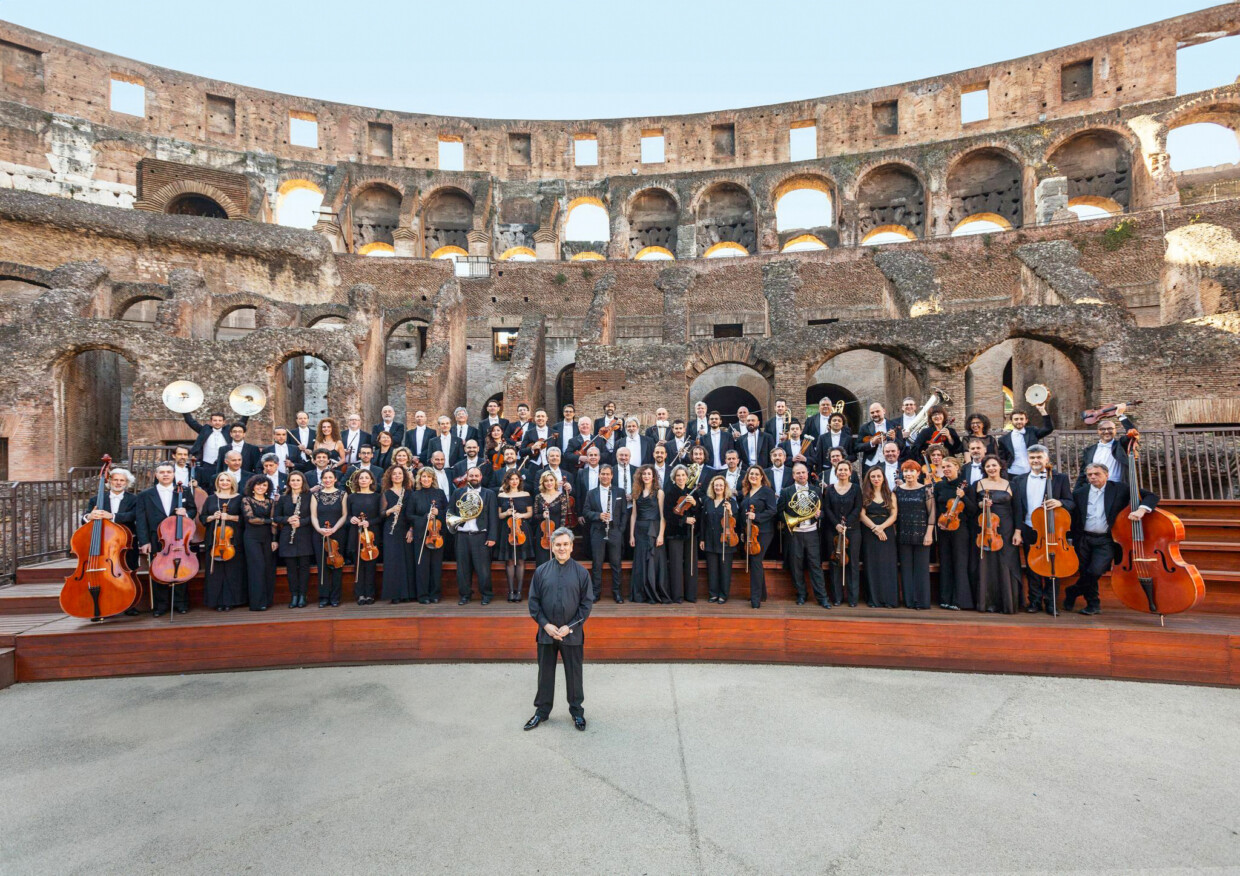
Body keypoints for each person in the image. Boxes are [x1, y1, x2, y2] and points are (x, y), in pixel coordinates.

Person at [1066, 462, 1159, 615]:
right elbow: (1074, 517)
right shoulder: (1079, 493)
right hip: (1083, 538)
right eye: (1089, 475)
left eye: (1097, 474)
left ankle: (1073, 591)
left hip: (1106, 539)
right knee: (1085, 571)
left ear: (1107, 475)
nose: (1093, 477)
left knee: (1095, 571)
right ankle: (1093, 604)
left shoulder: (1120, 489)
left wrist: (1142, 510)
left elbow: (1151, 496)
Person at [524, 528, 594, 732]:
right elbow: (533, 603)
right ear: (552, 547)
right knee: (545, 674)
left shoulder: (581, 573)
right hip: (547, 633)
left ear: (571, 547)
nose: (562, 548)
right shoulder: (541, 571)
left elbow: (586, 605)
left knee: (574, 674)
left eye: (565, 544)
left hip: (571, 634)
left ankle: (577, 713)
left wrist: (568, 627)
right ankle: (541, 712)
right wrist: (546, 625)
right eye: (558, 545)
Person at [1010, 444, 1074, 613]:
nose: (1036, 460)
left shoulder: (1059, 478)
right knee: (1033, 567)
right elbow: (1017, 508)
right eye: (1032, 458)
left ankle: (1051, 602)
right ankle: (1035, 601)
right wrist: (1018, 530)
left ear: (1046, 459)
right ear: (1028, 460)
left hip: (1052, 529)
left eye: (1039, 457)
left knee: (1053, 566)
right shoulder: (1018, 480)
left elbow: (1071, 502)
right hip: (1029, 528)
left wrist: (1060, 502)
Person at [136, 462, 198, 617]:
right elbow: (141, 519)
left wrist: (186, 513)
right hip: (156, 539)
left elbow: (193, 510)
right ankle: (160, 605)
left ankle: (181, 603)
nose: (165, 475)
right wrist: (144, 542)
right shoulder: (145, 495)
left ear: (173, 474)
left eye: (169, 472)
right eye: (162, 472)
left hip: (178, 539)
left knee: (181, 570)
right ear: (156, 475)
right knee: (158, 572)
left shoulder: (183, 492)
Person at [81, 466, 141, 615]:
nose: (119, 483)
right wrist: (89, 517)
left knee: (129, 572)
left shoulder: (134, 499)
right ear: (109, 481)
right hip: (103, 544)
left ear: (127, 483)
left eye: (122, 480)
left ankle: (129, 605)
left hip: (126, 543)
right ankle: (104, 605)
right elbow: (85, 517)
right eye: (115, 480)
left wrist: (112, 516)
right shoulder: (96, 499)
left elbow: (133, 516)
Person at [974, 455, 1022, 614]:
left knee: (1005, 562)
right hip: (986, 528)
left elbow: (1018, 510)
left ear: (1000, 466)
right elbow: (973, 506)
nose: (991, 468)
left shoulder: (1011, 485)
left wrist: (1017, 531)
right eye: (988, 466)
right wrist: (982, 504)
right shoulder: (978, 484)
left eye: (994, 465)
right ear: (984, 469)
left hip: (1006, 528)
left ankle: (1006, 603)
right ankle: (987, 603)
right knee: (987, 563)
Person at [779, 463, 828, 608]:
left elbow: (823, 510)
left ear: (807, 474)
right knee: (796, 566)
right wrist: (791, 522)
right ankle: (801, 594)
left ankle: (822, 597)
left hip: (812, 532)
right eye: (797, 473)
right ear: (793, 475)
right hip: (795, 533)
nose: (801, 475)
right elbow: (780, 512)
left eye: (803, 472)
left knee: (815, 566)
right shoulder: (786, 492)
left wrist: (820, 515)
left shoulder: (816, 490)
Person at [450, 467, 499, 605]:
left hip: (481, 536)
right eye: (471, 475)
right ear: (466, 476)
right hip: (462, 535)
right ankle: (465, 595)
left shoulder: (488, 494)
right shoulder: (458, 492)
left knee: (483, 569)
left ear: (481, 477)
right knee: (463, 569)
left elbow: (493, 517)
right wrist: (460, 519)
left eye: (476, 475)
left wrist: (492, 537)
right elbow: (450, 512)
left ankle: (486, 594)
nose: (474, 478)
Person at [932, 457, 973, 611]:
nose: (946, 469)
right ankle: (945, 599)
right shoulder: (940, 486)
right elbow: (936, 506)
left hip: (960, 530)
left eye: (949, 466)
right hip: (944, 528)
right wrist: (939, 522)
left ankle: (960, 600)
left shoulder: (966, 486)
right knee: (946, 564)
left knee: (959, 564)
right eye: (943, 467)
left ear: (957, 467)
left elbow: (973, 510)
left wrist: (964, 497)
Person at [200, 471, 244, 611]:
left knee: (233, 571)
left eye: (227, 480)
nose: (224, 482)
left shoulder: (239, 498)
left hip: (232, 540)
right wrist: (213, 517)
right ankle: (217, 601)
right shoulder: (211, 498)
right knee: (216, 573)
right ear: (217, 482)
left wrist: (229, 517)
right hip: (214, 540)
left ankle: (231, 601)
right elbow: (202, 518)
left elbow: (244, 519)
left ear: (232, 482)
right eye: (221, 480)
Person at [894, 461, 934, 610]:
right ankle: (909, 601)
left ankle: (922, 601)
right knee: (906, 568)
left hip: (922, 533)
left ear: (918, 473)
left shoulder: (926, 489)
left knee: (921, 568)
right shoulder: (897, 490)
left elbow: (932, 513)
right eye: (906, 471)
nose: (908, 474)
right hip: (903, 533)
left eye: (912, 471)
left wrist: (929, 533)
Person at [584, 464, 626, 603]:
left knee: (616, 564)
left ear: (612, 476)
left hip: (614, 531)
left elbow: (624, 513)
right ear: (599, 475)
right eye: (603, 474)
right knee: (597, 564)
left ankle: (617, 593)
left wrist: (620, 530)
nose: (605, 476)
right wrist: (598, 515)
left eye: (608, 474)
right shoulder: (591, 493)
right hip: (598, 531)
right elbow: (586, 511)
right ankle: (596, 593)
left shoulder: (619, 492)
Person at [738, 465, 778, 609]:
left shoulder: (767, 491)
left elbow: (773, 510)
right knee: (755, 562)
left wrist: (757, 516)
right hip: (750, 531)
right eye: (751, 474)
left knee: (755, 559)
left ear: (762, 477)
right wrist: (744, 531)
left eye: (756, 474)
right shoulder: (747, 492)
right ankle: (762, 594)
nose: (753, 476)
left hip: (764, 532)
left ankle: (755, 600)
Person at [824, 460, 862, 607]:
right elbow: (827, 509)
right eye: (840, 470)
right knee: (835, 563)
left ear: (850, 472)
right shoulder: (830, 489)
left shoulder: (856, 488)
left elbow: (858, 507)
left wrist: (847, 524)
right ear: (836, 472)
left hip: (852, 531)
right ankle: (837, 597)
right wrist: (837, 524)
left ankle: (853, 598)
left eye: (845, 470)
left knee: (851, 563)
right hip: (833, 531)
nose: (843, 472)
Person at [408, 466, 448, 604]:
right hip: (421, 535)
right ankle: (423, 595)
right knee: (422, 567)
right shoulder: (414, 495)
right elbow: (409, 515)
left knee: (436, 566)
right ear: (419, 478)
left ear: (433, 479)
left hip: (437, 535)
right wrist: (425, 516)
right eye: (423, 477)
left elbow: (448, 513)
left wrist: (439, 513)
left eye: (429, 477)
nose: (426, 479)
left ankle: (435, 594)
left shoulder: (440, 493)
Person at [629, 464, 668, 603]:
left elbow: (663, 516)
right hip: (640, 530)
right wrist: (631, 535)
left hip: (654, 529)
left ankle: (654, 592)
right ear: (640, 476)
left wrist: (661, 535)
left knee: (653, 561)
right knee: (641, 561)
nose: (646, 476)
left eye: (649, 474)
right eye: (644, 474)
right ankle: (641, 593)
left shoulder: (659, 492)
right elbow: (633, 515)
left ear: (653, 476)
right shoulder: (636, 492)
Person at [860, 466, 898, 608]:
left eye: (878, 476)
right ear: (869, 479)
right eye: (873, 477)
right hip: (869, 532)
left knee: (887, 565)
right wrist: (875, 529)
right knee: (872, 565)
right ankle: (874, 599)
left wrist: (881, 527)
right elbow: (862, 515)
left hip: (886, 531)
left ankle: (889, 599)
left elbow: (894, 515)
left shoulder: (890, 494)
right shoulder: (865, 494)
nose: (876, 479)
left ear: (883, 478)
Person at [1073, 405, 1137, 488]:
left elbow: (1133, 432)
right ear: (1098, 431)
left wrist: (1120, 415)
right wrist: (1076, 492)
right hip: (1094, 487)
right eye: (1103, 429)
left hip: (1116, 487)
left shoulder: (1121, 445)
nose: (1106, 432)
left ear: (1115, 430)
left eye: (1110, 429)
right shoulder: (1089, 450)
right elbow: (1083, 473)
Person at [310, 468, 347, 607]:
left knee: (337, 565)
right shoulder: (316, 495)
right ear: (321, 479)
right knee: (322, 566)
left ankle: (335, 597)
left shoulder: (343, 494)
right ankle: (324, 597)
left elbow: (344, 515)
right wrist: (319, 529)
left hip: (337, 532)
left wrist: (334, 528)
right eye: (325, 478)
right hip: (320, 533)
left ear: (335, 479)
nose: (327, 480)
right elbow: (313, 515)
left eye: (330, 477)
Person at [275, 470, 312, 608]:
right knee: (291, 568)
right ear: (289, 482)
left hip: (304, 535)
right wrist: (288, 519)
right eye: (292, 480)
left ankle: (303, 595)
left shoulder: (309, 496)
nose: (295, 483)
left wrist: (301, 522)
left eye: (298, 480)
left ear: (302, 482)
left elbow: (314, 516)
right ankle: (294, 595)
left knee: (303, 567)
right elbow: (276, 517)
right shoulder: (284, 498)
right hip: (287, 536)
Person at [240, 475, 277, 612]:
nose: (261, 487)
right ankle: (256, 603)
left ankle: (267, 601)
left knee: (268, 568)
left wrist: (274, 540)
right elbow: (251, 519)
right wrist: (269, 521)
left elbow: (274, 524)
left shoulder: (271, 502)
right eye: (258, 485)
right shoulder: (246, 500)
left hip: (267, 537)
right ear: (253, 486)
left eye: (264, 485)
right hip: (252, 538)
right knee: (257, 568)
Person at [700, 474, 739, 604]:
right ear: (712, 487)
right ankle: (713, 594)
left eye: (721, 485)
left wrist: (730, 511)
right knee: (712, 569)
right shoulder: (708, 501)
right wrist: (702, 539)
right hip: (710, 539)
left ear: (725, 487)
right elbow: (703, 522)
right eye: (716, 485)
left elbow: (736, 521)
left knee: (725, 569)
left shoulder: (730, 502)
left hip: (725, 540)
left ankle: (723, 594)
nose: (718, 487)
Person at [496, 470, 534, 602]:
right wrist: (506, 513)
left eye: (516, 479)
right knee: (510, 561)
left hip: (522, 529)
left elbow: (530, 513)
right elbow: (499, 515)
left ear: (520, 480)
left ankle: (519, 592)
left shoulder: (526, 494)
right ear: (507, 481)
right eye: (511, 479)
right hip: (507, 530)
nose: (514, 481)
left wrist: (521, 515)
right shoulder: (501, 495)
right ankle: (511, 591)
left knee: (521, 561)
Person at [346, 469, 382, 605]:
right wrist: (352, 519)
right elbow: (347, 516)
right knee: (359, 565)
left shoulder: (377, 497)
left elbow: (380, 517)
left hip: (371, 535)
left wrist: (369, 522)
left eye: (366, 478)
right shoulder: (351, 497)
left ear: (371, 480)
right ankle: (360, 594)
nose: (364, 480)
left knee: (371, 565)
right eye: (361, 478)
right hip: (356, 534)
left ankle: (370, 594)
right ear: (357, 481)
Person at [663, 465, 698, 603]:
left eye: (683, 475)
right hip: (675, 533)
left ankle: (691, 595)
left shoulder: (692, 492)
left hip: (691, 533)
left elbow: (698, 514)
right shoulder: (670, 492)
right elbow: (668, 515)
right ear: (674, 478)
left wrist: (695, 504)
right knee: (676, 565)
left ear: (687, 477)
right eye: (678, 475)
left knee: (691, 564)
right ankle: (677, 596)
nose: (681, 478)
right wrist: (684, 519)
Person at [380, 464, 414, 604]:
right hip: (391, 530)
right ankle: (395, 594)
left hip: (406, 530)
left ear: (404, 476)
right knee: (393, 562)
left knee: (407, 561)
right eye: (394, 474)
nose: (397, 476)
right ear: (390, 476)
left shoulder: (409, 493)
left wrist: (411, 530)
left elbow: (413, 513)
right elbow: (381, 514)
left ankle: (408, 593)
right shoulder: (386, 493)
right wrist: (390, 510)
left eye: (400, 473)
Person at [998, 402, 1053, 476]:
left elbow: (1048, 429)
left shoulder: (1032, 432)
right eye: (1016, 419)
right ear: (1011, 421)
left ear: (1026, 420)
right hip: (1012, 472)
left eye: (1021, 419)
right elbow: (1002, 458)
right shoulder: (1004, 439)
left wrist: (1042, 410)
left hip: (1032, 470)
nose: (1019, 421)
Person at [533, 470, 566, 567]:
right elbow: (535, 516)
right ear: (542, 483)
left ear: (555, 481)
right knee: (542, 561)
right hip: (542, 533)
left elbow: (563, 517)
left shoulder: (561, 496)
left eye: (551, 480)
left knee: (558, 561)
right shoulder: (538, 497)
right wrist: (542, 515)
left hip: (557, 532)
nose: (549, 483)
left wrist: (560, 534)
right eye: (546, 481)